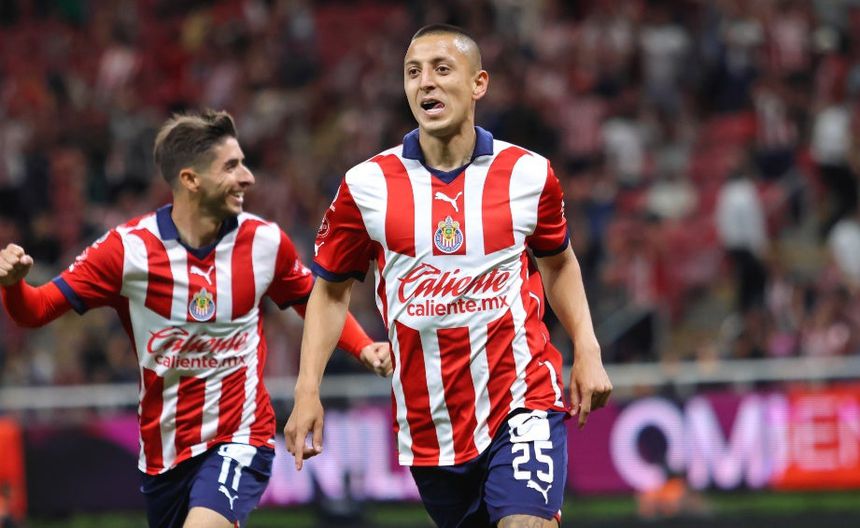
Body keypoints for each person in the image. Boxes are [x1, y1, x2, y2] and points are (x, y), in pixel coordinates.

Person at [285, 25, 613, 528]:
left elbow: (559, 262)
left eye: (442, 69)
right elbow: (329, 294)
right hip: (430, 426)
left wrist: (587, 348)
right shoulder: (365, 186)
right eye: (413, 72)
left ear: (479, 83)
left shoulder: (528, 174)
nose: (426, 83)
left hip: (523, 397)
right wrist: (307, 388)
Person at [0, 110, 391, 528]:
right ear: (190, 179)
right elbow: (36, 310)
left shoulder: (264, 243)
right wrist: (13, 285)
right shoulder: (128, 251)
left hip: (241, 438)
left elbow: (315, 302)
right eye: (231, 166)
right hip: (163, 456)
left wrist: (363, 347)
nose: (247, 177)